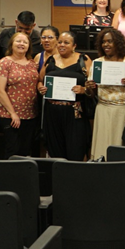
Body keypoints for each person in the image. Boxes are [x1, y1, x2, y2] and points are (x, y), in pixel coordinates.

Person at [85, 27, 125, 160]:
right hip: (103, 109)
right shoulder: (98, 63)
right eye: (103, 42)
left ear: (118, 43)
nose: (106, 44)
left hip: (124, 110)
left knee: (121, 149)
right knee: (102, 147)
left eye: (110, 41)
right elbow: (92, 94)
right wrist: (90, 88)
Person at [37, 31, 91, 161]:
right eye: (60, 42)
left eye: (66, 42)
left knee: (75, 150)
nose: (62, 45)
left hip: (74, 113)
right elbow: (40, 80)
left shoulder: (83, 60)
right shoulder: (51, 60)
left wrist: (84, 89)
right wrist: (40, 88)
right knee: (55, 151)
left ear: (74, 46)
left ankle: (73, 174)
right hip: (52, 112)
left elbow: (93, 85)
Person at [0, 32, 39, 158]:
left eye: (25, 42)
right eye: (18, 41)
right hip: (10, 115)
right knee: (12, 150)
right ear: (11, 44)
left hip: (30, 115)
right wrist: (13, 113)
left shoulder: (32, 63)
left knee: (25, 150)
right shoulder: (4, 63)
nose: (21, 44)